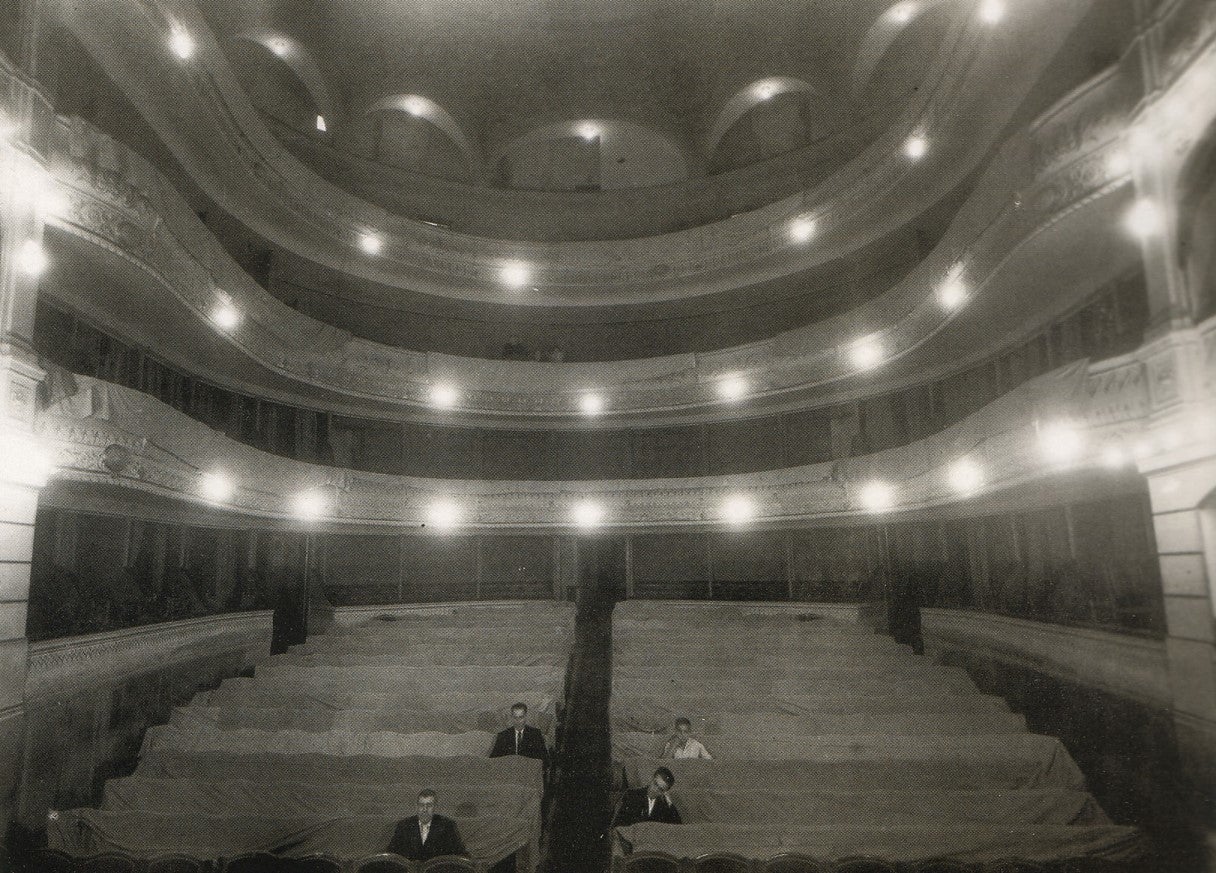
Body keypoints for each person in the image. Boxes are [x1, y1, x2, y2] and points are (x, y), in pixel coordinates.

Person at [386, 789, 469, 861]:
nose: (424, 809)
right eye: (421, 805)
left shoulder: (447, 826)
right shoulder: (404, 825)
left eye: (429, 805)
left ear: (435, 807)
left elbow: (460, 854)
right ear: (417, 806)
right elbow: (391, 853)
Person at [612, 766, 682, 827]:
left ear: (664, 792)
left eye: (660, 789)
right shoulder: (632, 795)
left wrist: (670, 804)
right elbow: (619, 824)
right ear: (651, 780)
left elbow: (677, 827)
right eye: (655, 784)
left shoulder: (664, 806)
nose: (655, 790)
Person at [489, 702, 550, 770]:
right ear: (511, 717)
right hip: (508, 773)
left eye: (521, 717)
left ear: (526, 716)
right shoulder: (503, 736)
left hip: (529, 773)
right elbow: (493, 760)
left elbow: (545, 761)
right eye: (515, 717)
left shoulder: (535, 734)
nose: (518, 721)